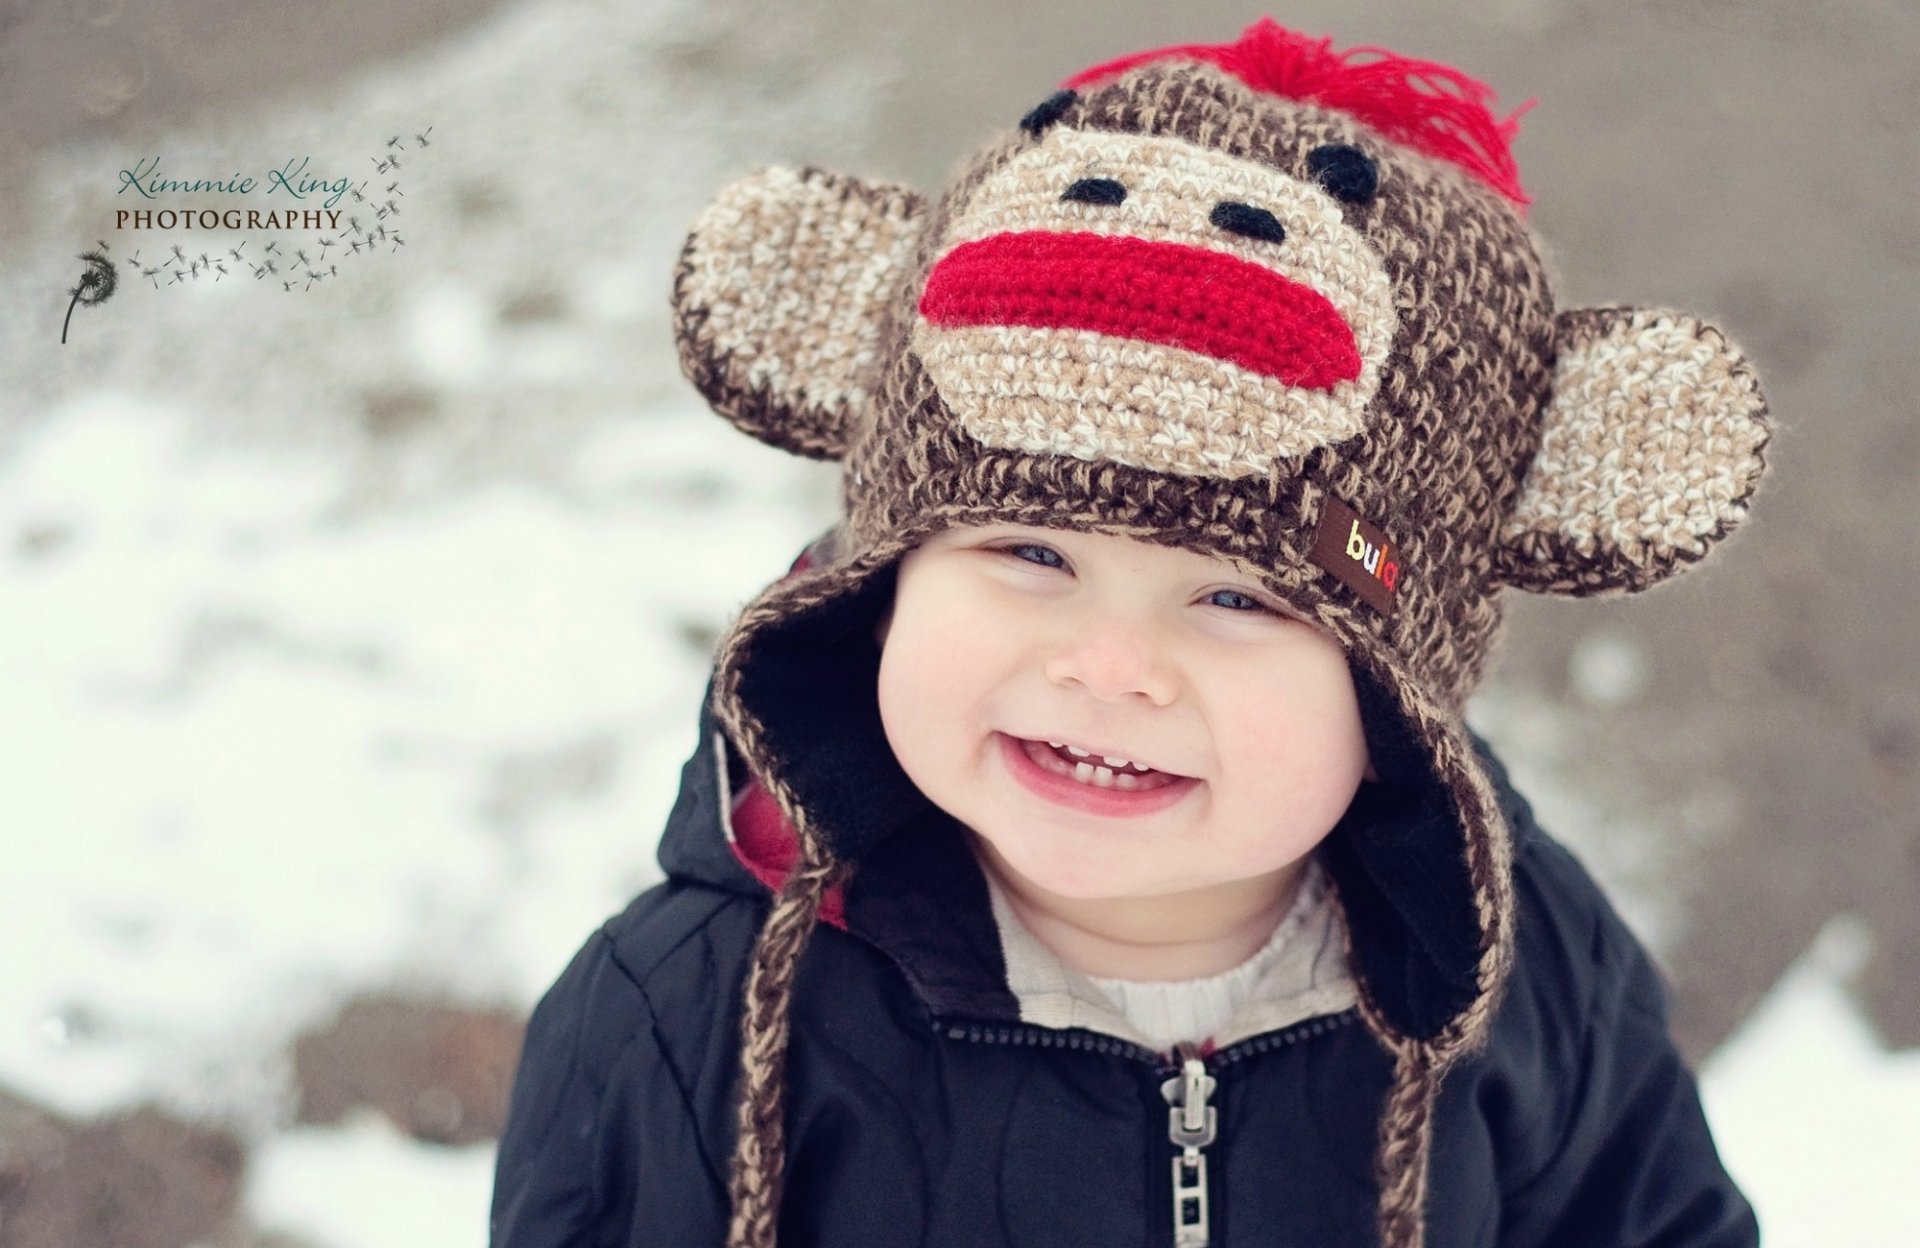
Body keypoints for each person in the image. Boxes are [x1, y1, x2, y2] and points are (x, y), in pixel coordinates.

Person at [491, 17, 1773, 1248]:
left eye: (1237, 599)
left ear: (1395, 687)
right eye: (1030, 554)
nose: (1108, 667)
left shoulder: (1517, 968)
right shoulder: (685, 1018)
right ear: (883, 586)